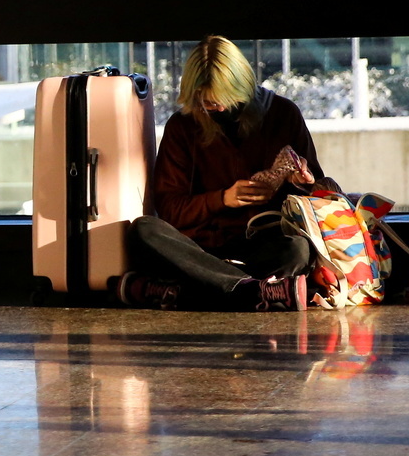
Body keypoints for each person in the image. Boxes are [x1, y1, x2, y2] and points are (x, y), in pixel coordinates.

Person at [115, 35, 328, 310]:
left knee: (298, 249)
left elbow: (318, 198)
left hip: (261, 244)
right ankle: (254, 291)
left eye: (227, 99)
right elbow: (169, 209)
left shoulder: (283, 113)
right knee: (144, 230)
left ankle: (184, 291)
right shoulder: (182, 126)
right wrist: (222, 199)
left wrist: (303, 183)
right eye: (208, 103)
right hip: (200, 246)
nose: (220, 108)